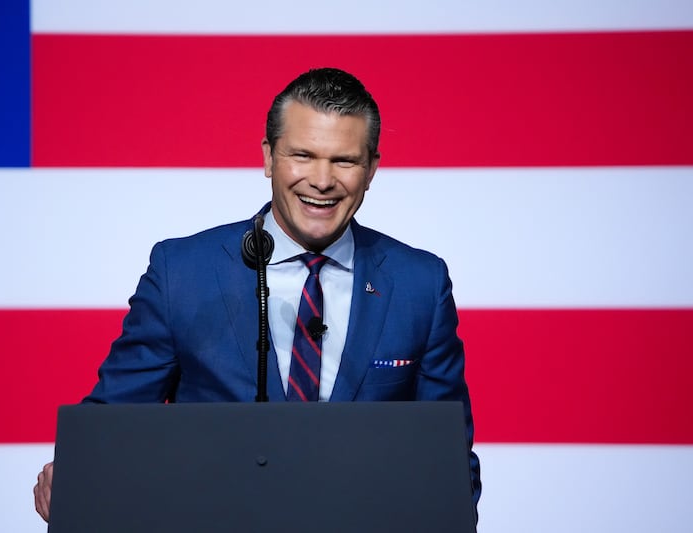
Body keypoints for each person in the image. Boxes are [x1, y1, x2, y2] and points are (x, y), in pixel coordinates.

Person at [34, 67, 481, 521]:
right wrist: (75, 475)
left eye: (344, 160)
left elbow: (447, 462)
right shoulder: (183, 273)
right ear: (269, 158)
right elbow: (112, 429)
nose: (322, 180)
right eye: (302, 155)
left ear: (371, 170)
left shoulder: (418, 284)